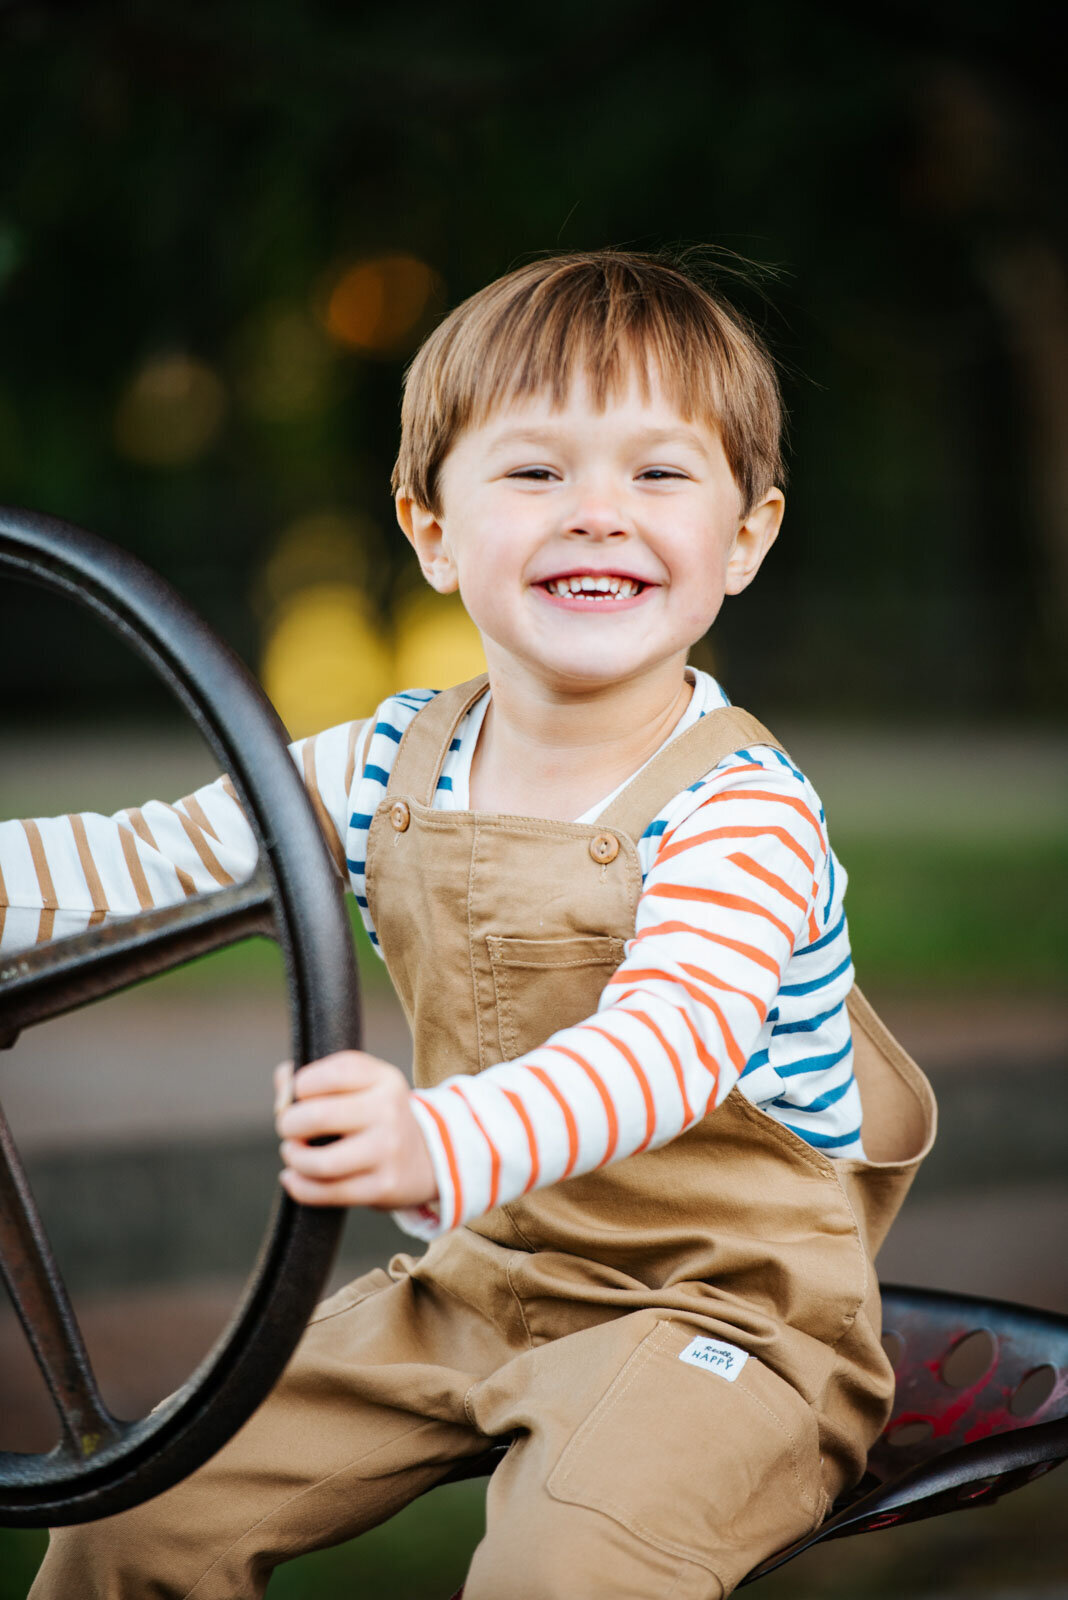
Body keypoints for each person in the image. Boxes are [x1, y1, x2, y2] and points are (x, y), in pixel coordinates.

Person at [4, 250, 935, 1599]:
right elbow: (133, 862)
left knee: (564, 1569)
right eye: (536, 472)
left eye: (659, 474)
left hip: (725, 1316)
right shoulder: (389, 759)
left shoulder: (743, 808)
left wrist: (435, 1138)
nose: (599, 514)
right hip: (481, 1279)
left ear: (747, 535)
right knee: (133, 1515)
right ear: (433, 528)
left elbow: (667, 1047)